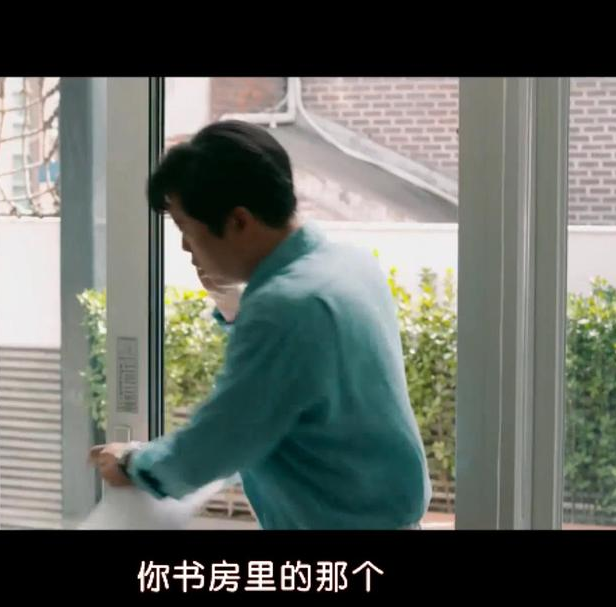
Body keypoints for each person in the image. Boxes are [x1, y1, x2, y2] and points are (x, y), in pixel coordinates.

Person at [89, 120, 431, 530]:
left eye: (186, 228)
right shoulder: (348, 264)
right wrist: (235, 307)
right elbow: (290, 385)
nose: (183, 245)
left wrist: (132, 463)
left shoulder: (285, 307)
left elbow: (218, 443)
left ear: (239, 221)